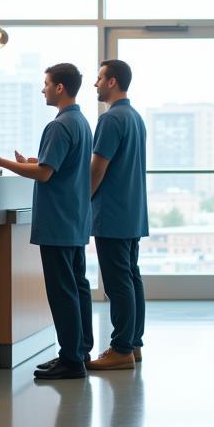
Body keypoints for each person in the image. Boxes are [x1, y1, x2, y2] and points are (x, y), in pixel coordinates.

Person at [0, 63, 93, 382]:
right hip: (74, 218)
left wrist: (1, 161)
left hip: (58, 220)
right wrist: (35, 162)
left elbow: (45, 174)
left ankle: (71, 360)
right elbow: (56, 166)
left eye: (46, 84)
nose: (43, 89)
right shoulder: (81, 122)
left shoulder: (58, 125)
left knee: (63, 291)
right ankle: (78, 351)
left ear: (60, 87)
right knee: (77, 286)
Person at [87, 59, 148, 372]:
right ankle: (133, 343)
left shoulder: (111, 120)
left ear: (112, 82)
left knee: (117, 282)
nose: (95, 84)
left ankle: (121, 347)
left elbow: (98, 168)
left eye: (99, 78)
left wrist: (83, 198)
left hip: (112, 212)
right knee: (131, 277)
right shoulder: (135, 117)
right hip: (132, 211)